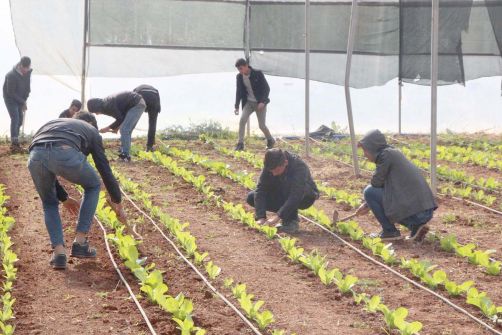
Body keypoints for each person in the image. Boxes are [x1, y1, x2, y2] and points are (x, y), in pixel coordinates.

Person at [27, 111, 127, 270]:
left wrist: (64, 198)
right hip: (64, 151)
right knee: (93, 185)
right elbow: (104, 168)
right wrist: (117, 200)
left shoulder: (55, 123)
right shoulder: (92, 131)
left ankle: (59, 254)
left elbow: (45, 158)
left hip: (35, 155)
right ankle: (80, 243)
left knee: (49, 203)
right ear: (92, 124)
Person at [355, 129, 437, 242]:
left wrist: (368, 201)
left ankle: (390, 231)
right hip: (423, 210)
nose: (364, 154)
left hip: (417, 211)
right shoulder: (392, 153)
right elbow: (385, 187)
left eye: (365, 150)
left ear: (372, 147)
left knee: (368, 191)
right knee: (374, 194)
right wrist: (367, 205)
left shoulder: (385, 155)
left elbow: (376, 183)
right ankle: (416, 227)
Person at [246, 148, 319, 233]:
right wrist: (261, 217)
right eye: (271, 171)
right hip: (283, 192)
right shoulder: (270, 164)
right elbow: (261, 189)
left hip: (305, 196)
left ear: (285, 163)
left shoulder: (299, 166)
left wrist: (277, 217)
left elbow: (296, 194)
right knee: (251, 197)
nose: (273, 174)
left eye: (276, 170)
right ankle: (288, 216)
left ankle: (291, 221)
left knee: (288, 186)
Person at [87, 91, 146, 162]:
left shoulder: (107, 106)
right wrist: (116, 128)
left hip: (136, 104)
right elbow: (121, 117)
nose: (96, 114)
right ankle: (124, 153)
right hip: (135, 104)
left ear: (97, 107)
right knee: (126, 130)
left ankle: (125, 156)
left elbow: (120, 119)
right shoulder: (106, 104)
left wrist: (107, 128)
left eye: (95, 111)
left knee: (125, 130)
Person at [233, 58, 275, 151]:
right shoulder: (239, 77)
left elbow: (266, 89)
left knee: (261, 125)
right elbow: (238, 92)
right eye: (238, 69)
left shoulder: (258, 74)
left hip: (260, 103)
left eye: (241, 68)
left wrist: (263, 102)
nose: (240, 71)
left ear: (246, 66)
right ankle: (240, 144)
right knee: (242, 120)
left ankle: (270, 140)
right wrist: (236, 106)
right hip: (248, 102)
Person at [3, 56, 32, 153]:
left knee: (20, 119)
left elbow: (27, 88)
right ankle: (14, 144)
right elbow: (10, 92)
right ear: (20, 65)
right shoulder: (11, 75)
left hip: (20, 98)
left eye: (27, 68)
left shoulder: (28, 73)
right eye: (25, 68)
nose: (26, 70)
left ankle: (16, 138)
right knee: (15, 117)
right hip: (10, 99)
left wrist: (25, 99)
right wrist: (22, 102)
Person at [133, 84, 161, 151]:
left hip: (142, 95)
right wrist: (158, 108)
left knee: (132, 120)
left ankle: (124, 145)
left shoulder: (135, 91)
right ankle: (149, 146)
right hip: (155, 98)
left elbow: (132, 99)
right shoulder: (154, 89)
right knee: (152, 124)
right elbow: (157, 95)